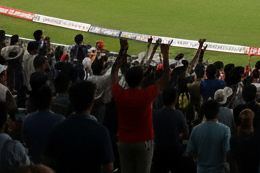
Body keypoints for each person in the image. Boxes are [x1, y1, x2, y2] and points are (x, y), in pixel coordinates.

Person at [113, 39, 172, 173]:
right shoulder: (146, 95)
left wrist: (122, 51)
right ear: (141, 80)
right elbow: (166, 77)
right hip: (143, 141)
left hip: (123, 141)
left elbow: (113, 73)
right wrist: (166, 54)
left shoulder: (119, 94)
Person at [45, 79, 115, 173]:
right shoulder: (100, 131)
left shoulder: (57, 128)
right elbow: (109, 168)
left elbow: (46, 160)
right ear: (91, 103)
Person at [189, 100, 232, 173]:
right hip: (219, 170)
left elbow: (191, 151)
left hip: (201, 170)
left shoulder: (196, 130)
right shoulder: (225, 130)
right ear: (217, 113)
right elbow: (227, 151)